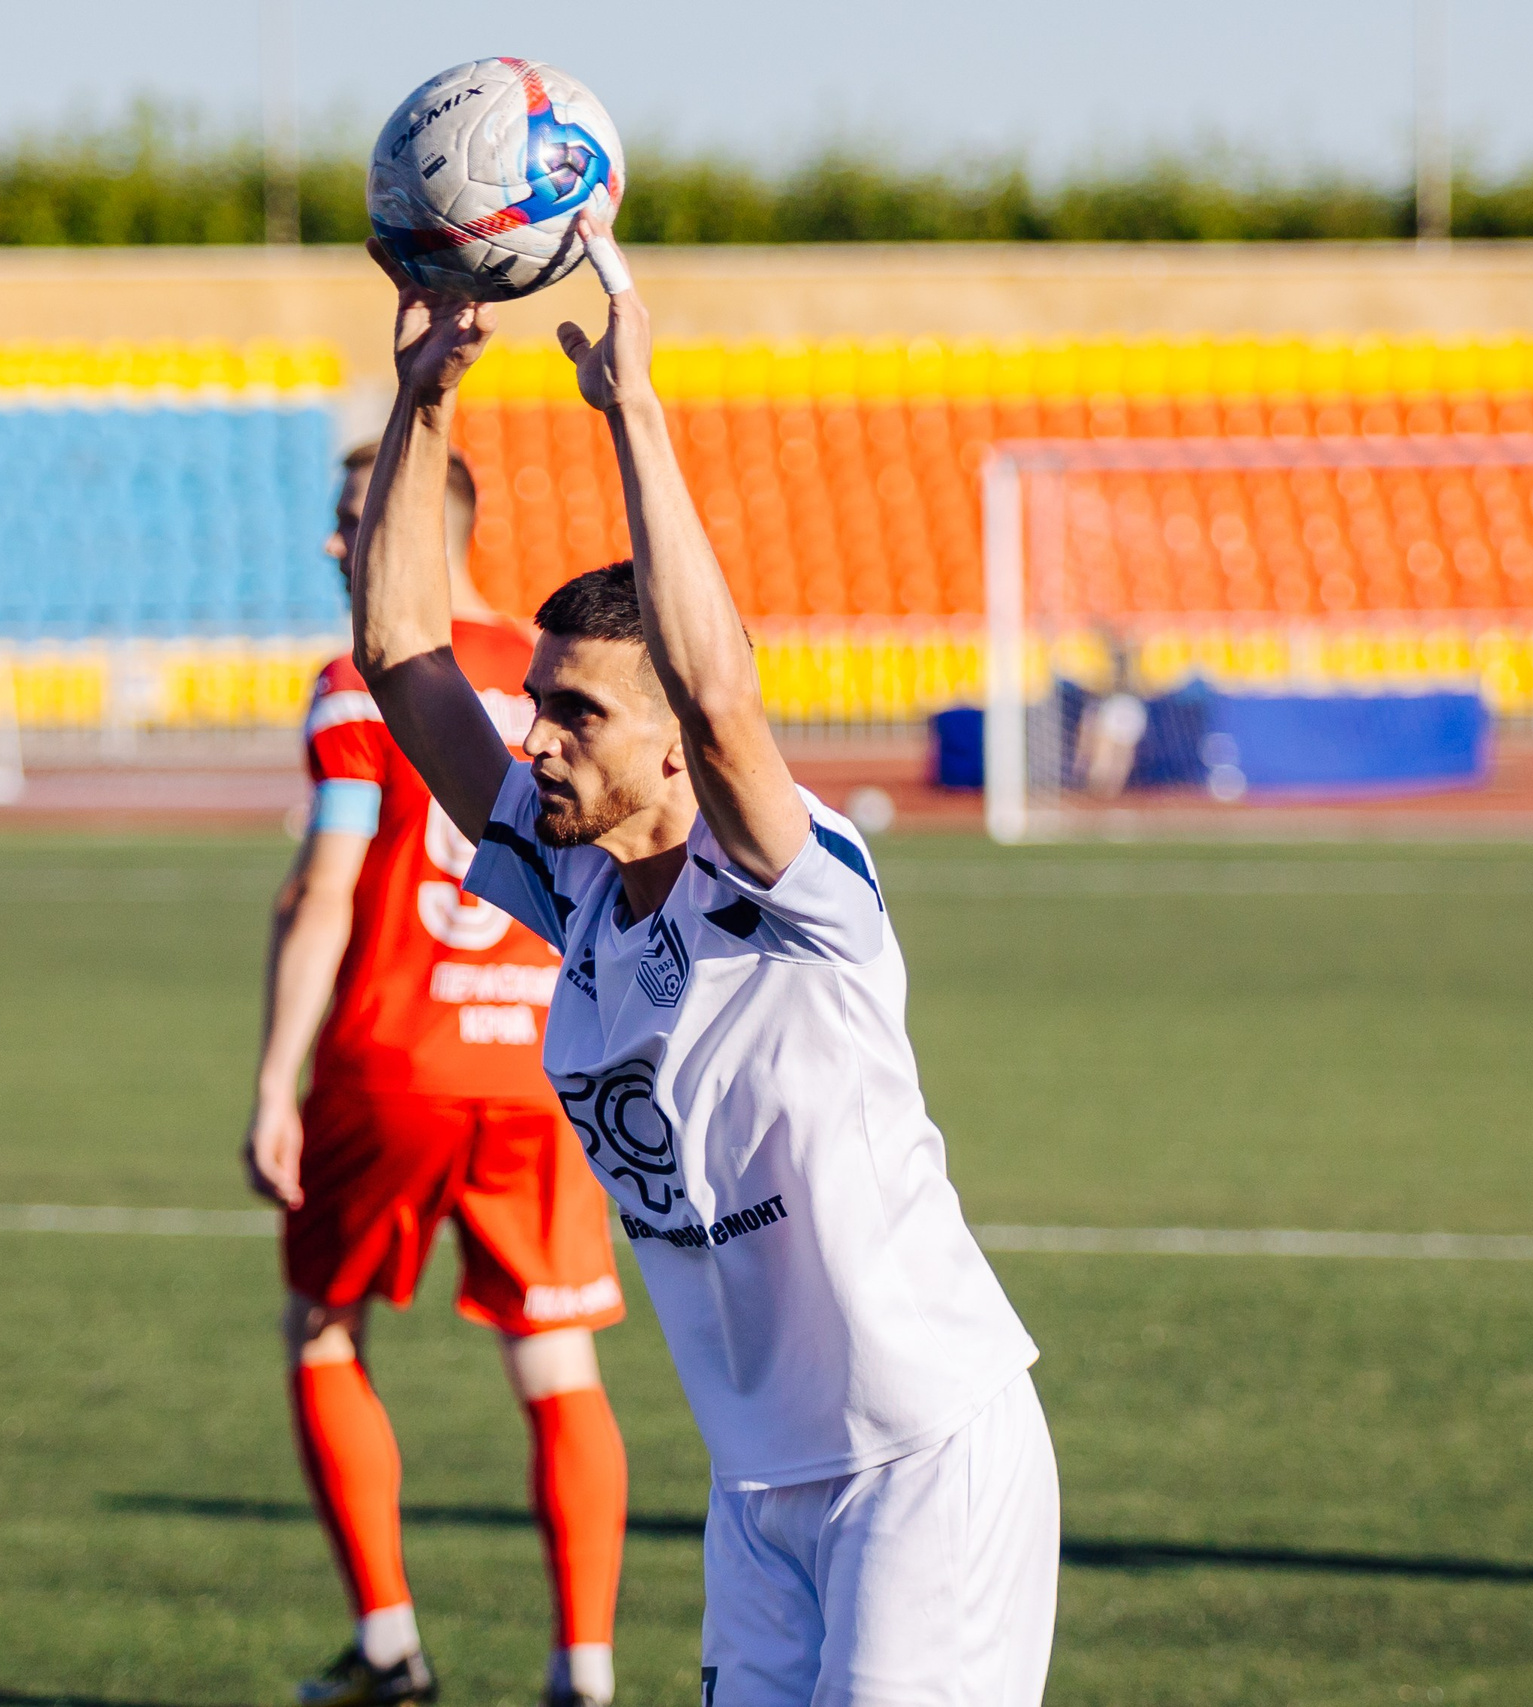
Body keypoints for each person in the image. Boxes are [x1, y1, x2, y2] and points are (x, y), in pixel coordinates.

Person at [344, 230, 1058, 1705]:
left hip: (920, 1462)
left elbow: (728, 704)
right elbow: (404, 649)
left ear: (667, 742)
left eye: (576, 713)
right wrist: (425, 394)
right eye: (537, 706)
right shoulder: (574, 882)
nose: (535, 736)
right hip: (759, 1491)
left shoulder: (803, 893)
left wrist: (632, 407)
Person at [245, 445, 630, 1707]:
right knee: (557, 1362)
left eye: (352, 522)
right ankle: (584, 1668)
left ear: (418, 528)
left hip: (389, 1064)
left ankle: (389, 1645)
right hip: (538, 1067)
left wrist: (269, 1083)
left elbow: (324, 888)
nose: (331, 547)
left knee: (322, 1329)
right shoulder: (548, 676)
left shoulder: (359, 684)